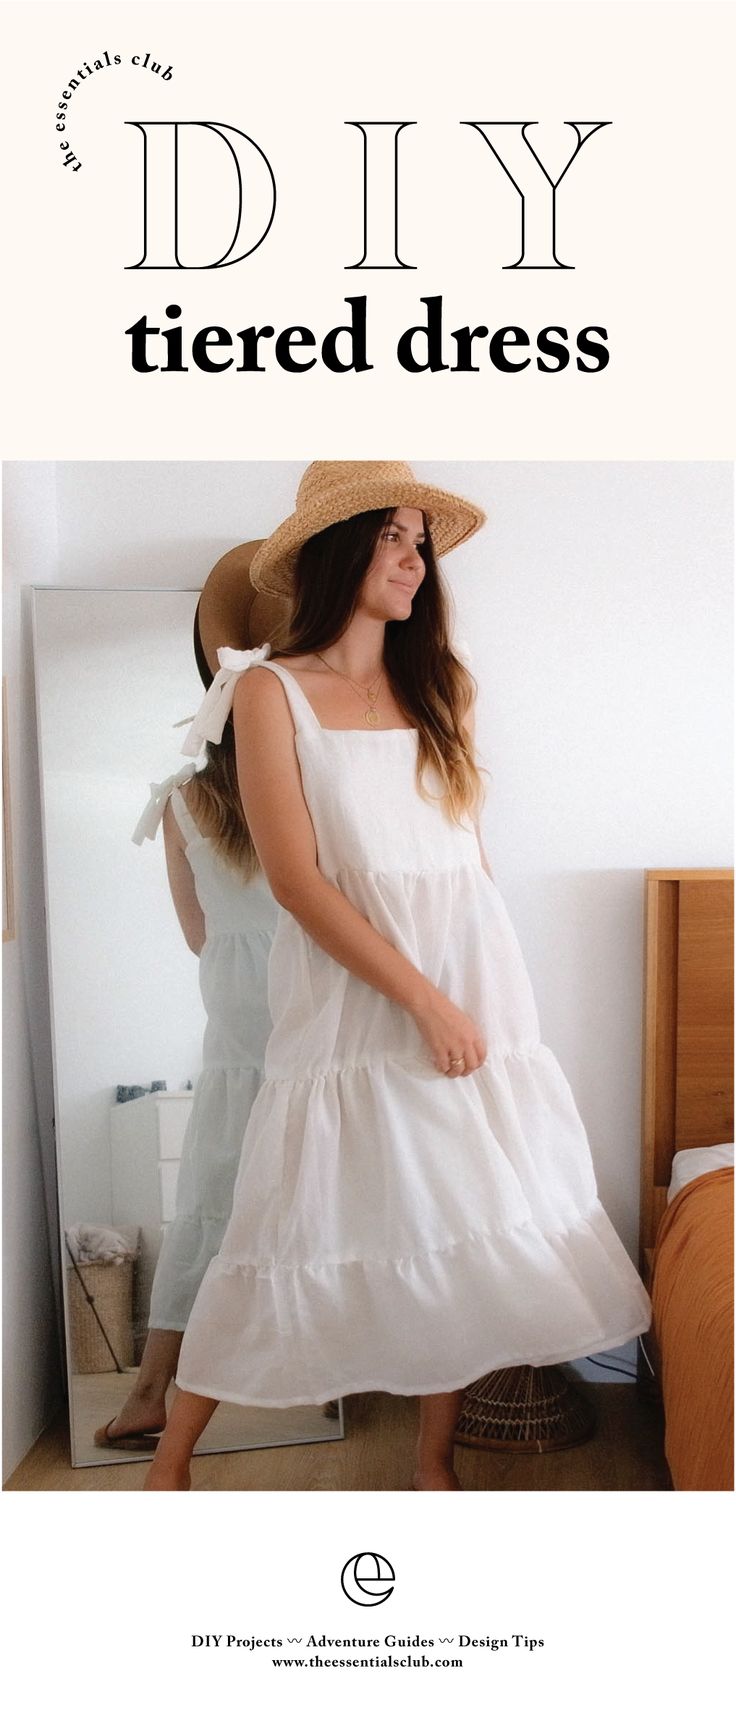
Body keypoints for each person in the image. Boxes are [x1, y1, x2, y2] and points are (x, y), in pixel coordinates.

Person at [145, 460, 651, 1491]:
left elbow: (467, 859)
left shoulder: (438, 687)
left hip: (471, 983)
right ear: (341, 552)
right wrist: (421, 998)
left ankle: (430, 1460)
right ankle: (171, 1459)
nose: (415, 562)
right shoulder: (266, 690)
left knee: (451, 1221)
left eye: (421, 542)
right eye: (395, 538)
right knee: (285, 1216)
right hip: (352, 998)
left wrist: (479, 999)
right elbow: (295, 880)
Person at [94, 545, 288, 1449]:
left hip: (236, 1030)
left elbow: (196, 934)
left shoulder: (181, 795)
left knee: (209, 1206)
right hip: (319, 1018)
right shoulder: (309, 773)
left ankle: (150, 1393)